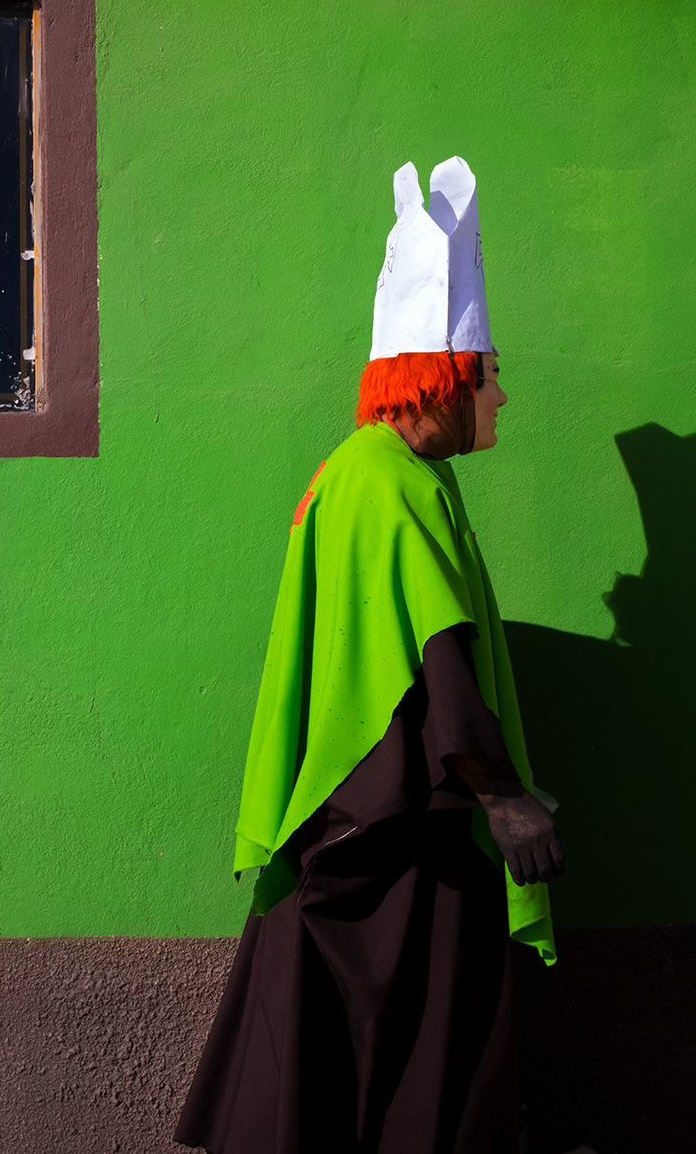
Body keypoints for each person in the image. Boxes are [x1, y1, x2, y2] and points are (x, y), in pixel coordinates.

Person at [176, 157, 564, 1154]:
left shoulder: (354, 472)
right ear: (442, 376)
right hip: (395, 842)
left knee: (329, 1063)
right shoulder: (395, 483)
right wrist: (511, 805)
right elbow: (442, 668)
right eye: (486, 374)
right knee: (431, 1069)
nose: (502, 396)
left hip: (346, 829)